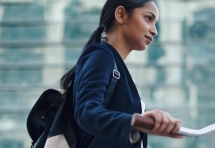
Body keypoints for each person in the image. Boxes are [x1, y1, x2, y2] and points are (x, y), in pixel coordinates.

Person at [59, 0, 182, 147]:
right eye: (148, 18)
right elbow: (86, 111)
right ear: (121, 15)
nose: (154, 31)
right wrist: (134, 122)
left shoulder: (115, 67)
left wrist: (138, 123)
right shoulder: (101, 56)